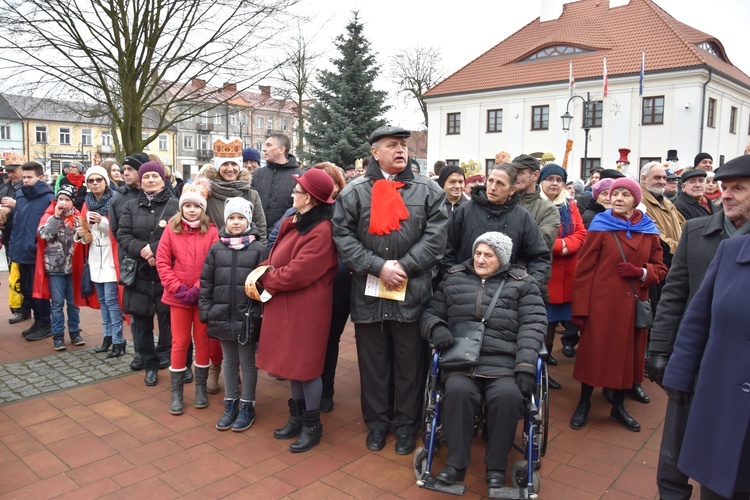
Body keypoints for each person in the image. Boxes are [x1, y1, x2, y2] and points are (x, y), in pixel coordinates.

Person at [333, 125, 448, 455]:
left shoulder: (428, 191)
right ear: (375, 152)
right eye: (392, 145)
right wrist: (378, 266)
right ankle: (377, 424)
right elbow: (343, 236)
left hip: (412, 293)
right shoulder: (354, 193)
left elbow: (436, 238)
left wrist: (406, 266)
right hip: (368, 293)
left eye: (403, 145)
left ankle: (407, 425)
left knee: (409, 365)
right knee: (373, 365)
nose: (400, 150)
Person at [647, 154, 750, 500]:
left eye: (738, 188)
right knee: (674, 451)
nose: (726, 195)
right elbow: (674, 297)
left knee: (724, 457)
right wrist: (660, 350)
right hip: (692, 358)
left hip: (732, 367)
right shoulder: (697, 231)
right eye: (724, 188)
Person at [420, 232, 545, 490]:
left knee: (508, 397)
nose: (480, 259)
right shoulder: (454, 278)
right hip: (461, 361)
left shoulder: (523, 283)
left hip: (504, 364)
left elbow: (533, 326)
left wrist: (525, 366)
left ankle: (497, 468)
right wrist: (437, 328)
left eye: (488, 255)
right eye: (478, 253)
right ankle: (455, 466)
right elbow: (431, 312)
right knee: (457, 392)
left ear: (502, 258)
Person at [569, 178, 667, 431]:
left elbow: (661, 268)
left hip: (634, 306)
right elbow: (583, 270)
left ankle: (618, 408)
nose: (618, 198)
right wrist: (580, 309)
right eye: (615, 194)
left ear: (636, 200)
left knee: (628, 358)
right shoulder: (600, 227)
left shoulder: (649, 230)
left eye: (625, 194)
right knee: (594, 354)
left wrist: (641, 272)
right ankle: (584, 403)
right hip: (601, 306)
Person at [256, 168, 339, 452]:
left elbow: (298, 272)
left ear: (311, 198)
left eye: (298, 190)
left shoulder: (322, 230)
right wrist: (267, 268)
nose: (294, 193)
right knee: (293, 366)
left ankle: (312, 425)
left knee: (306, 368)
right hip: (288, 303)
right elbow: (277, 256)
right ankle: (297, 417)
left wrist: (267, 278)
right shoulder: (297, 220)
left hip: (307, 309)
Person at [662, 235, 750, 500]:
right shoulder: (731, 250)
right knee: (718, 487)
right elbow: (697, 318)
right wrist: (678, 375)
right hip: (723, 404)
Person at [198, 138, 268, 391]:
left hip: (246, 260)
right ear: (218, 166)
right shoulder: (208, 190)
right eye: (225, 164)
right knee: (220, 319)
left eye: (233, 164)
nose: (229, 169)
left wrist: (254, 254)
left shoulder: (251, 193)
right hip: (216, 259)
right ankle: (217, 367)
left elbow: (260, 227)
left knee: (242, 318)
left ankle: (240, 369)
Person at [200, 197, 265, 431]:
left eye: (240, 217)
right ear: (225, 220)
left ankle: (247, 404)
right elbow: (206, 281)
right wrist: (206, 310)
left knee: (247, 362)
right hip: (222, 313)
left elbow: (264, 284)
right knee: (228, 361)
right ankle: (231, 403)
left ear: (247, 219)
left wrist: (260, 313)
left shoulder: (258, 249)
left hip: (247, 315)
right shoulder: (217, 248)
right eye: (231, 218)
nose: (235, 222)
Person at [156, 181, 218, 415]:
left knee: (203, 342)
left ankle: (201, 388)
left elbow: (213, 264)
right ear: (181, 207)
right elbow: (162, 262)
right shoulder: (171, 230)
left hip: (202, 296)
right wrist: (178, 288)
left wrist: (199, 288)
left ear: (203, 209)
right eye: (188, 205)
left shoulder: (211, 232)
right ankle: (177, 393)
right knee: (180, 342)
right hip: (178, 296)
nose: (192, 210)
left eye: (196, 206)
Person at [117, 161, 178, 387]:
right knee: (141, 325)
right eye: (146, 177)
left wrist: (154, 249)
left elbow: (179, 234)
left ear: (163, 179)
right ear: (140, 182)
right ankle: (150, 364)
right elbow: (123, 234)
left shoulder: (175, 205)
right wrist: (143, 251)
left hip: (165, 273)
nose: (150, 180)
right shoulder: (131, 206)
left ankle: (169, 357)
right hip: (139, 274)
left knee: (168, 321)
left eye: (155, 176)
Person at [443, 163, 550, 290]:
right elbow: (446, 253)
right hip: (463, 291)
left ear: (512, 189)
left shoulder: (522, 217)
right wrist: (454, 282)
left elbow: (540, 258)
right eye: (490, 181)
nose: (493, 187)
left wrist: (526, 288)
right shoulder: (465, 211)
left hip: (506, 295)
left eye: (500, 184)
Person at [538, 164, 586, 390]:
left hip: (567, 275)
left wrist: (564, 245)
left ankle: (546, 363)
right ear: (541, 181)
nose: (554, 183)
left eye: (559, 179)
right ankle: (542, 369)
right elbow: (538, 237)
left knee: (557, 320)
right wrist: (561, 247)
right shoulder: (536, 205)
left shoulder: (570, 206)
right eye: (550, 179)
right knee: (543, 324)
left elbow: (581, 233)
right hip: (546, 274)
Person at [76, 166, 126, 357]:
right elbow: (85, 233)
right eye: (91, 180)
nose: (95, 183)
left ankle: (118, 340)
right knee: (103, 301)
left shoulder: (114, 200)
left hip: (111, 258)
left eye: (98, 180)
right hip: (96, 258)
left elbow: (119, 229)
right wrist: (81, 232)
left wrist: (102, 223)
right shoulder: (87, 203)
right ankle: (107, 337)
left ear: (106, 182)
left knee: (112, 301)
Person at [9, 161, 55, 340]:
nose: (25, 180)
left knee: (38, 290)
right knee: (26, 290)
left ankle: (45, 323)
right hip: (20, 249)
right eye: (25, 177)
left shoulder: (48, 197)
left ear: (40, 177)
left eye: (30, 177)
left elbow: (50, 226)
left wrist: (37, 246)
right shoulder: (20, 195)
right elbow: (17, 222)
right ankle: (37, 321)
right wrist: (13, 246)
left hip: (36, 252)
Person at [35, 185, 85, 351]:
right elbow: (44, 235)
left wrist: (83, 232)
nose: (63, 203)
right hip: (55, 268)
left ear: (73, 202)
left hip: (73, 269)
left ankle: (74, 331)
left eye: (67, 200)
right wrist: (56, 217)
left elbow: (85, 241)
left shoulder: (78, 218)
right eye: (61, 199)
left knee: (72, 303)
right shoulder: (50, 217)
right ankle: (58, 335)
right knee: (57, 304)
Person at [510, 154, 560, 252]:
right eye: (513, 173)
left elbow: (540, 244)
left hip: (530, 266)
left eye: (520, 173)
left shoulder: (549, 210)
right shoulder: (504, 202)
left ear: (535, 175)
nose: (515, 177)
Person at [0, 153, 29, 324]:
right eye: (8, 171)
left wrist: (16, 205)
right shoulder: (5, 188)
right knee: (13, 274)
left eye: (13, 170)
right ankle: (18, 308)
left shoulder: (26, 188)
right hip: (9, 236)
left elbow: (32, 210)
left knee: (24, 275)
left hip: (23, 238)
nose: (10, 174)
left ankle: (26, 307)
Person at [253, 133, 303, 228]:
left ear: (281, 150)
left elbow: (300, 210)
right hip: (258, 235)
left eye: (269, 145)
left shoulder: (300, 177)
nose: (264, 149)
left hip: (285, 234)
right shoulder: (257, 175)